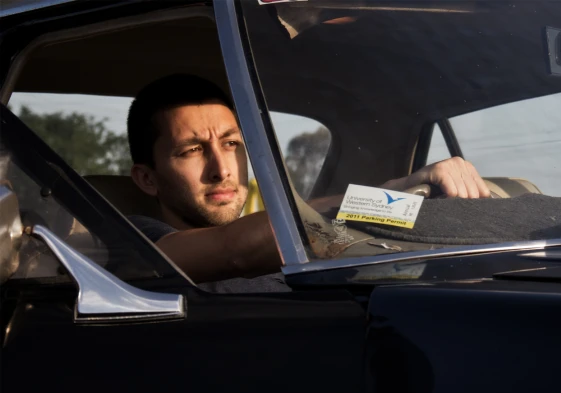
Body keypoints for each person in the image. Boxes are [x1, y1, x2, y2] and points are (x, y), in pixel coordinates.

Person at [126, 74, 489, 292]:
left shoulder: (283, 238)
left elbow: (289, 222)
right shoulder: (132, 243)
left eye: (231, 144)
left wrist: (409, 196)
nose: (222, 169)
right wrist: (383, 198)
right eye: (192, 150)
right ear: (146, 178)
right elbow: (235, 249)